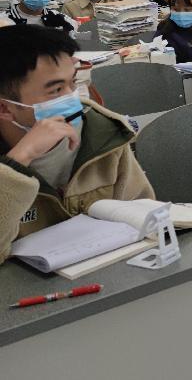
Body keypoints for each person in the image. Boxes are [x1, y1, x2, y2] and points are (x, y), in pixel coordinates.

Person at [0, 25, 155, 262]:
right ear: (5, 108)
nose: (72, 97)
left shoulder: (102, 132)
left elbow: (143, 214)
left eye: (72, 83)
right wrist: (19, 160)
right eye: (56, 90)